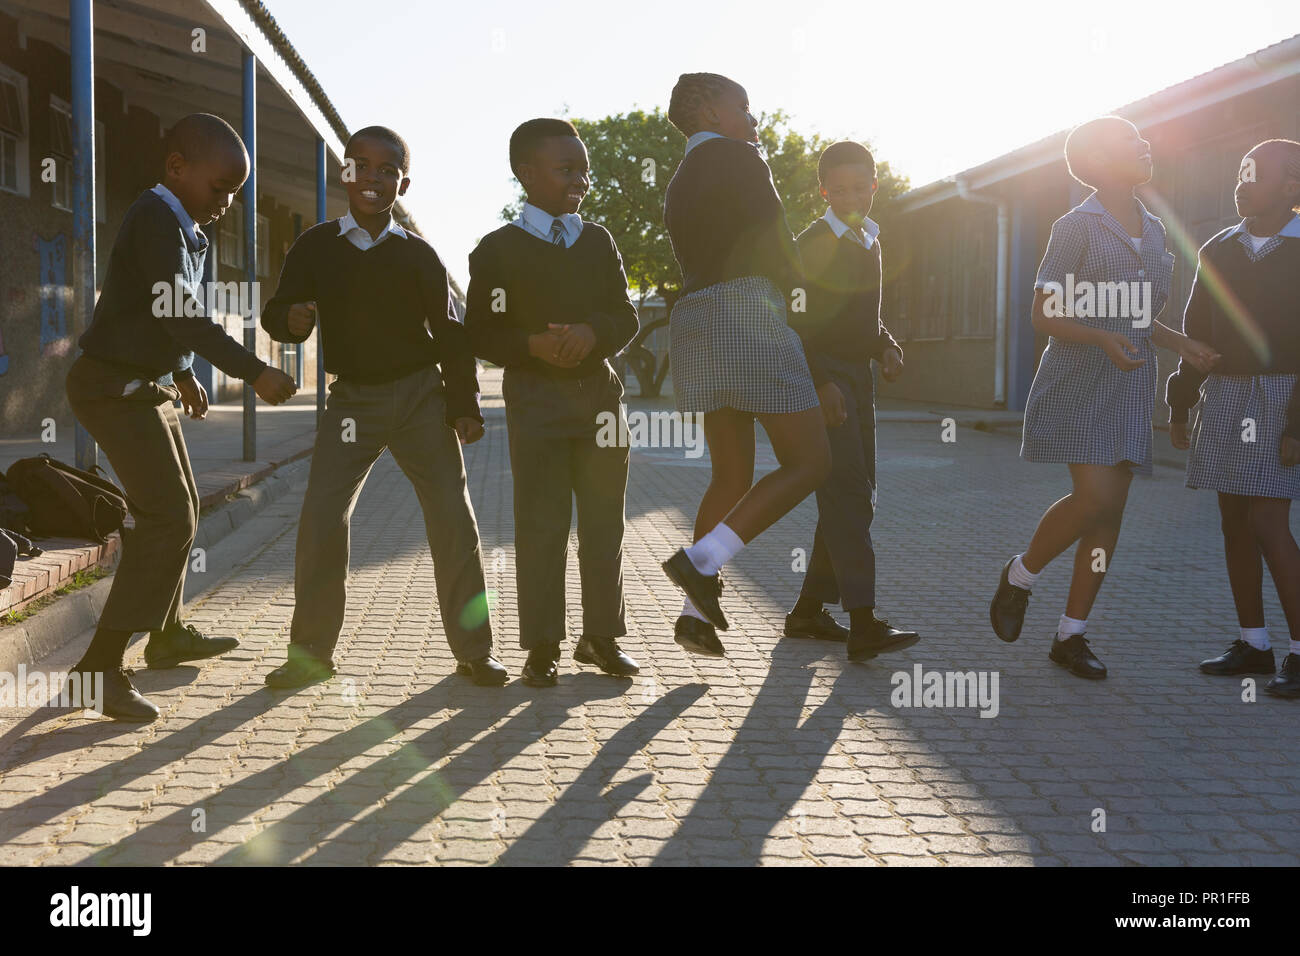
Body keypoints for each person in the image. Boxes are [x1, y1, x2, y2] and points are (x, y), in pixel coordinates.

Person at [66, 113, 297, 722]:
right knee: (167, 518)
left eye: (235, 193)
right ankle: (97, 671)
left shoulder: (183, 225)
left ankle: (165, 634)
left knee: (180, 510)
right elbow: (181, 315)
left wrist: (183, 370)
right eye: (220, 187)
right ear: (177, 167)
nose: (226, 203)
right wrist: (255, 371)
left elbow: (164, 312)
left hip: (144, 386)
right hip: (111, 388)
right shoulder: (154, 218)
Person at [261, 126, 506, 688]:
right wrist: (290, 321)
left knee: (453, 517)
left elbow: (449, 333)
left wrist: (465, 403)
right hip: (352, 401)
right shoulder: (315, 246)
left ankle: (475, 651)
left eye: (387, 170)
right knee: (323, 518)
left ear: (404, 181)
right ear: (345, 172)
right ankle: (310, 654)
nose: (373, 178)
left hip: (422, 396)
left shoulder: (418, 254)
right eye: (362, 166)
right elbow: (279, 310)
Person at [989, 115, 1219, 679]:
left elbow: (1142, 316)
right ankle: (1019, 576)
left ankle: (1072, 634)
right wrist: (1099, 335)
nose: (1143, 147)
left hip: (1130, 382)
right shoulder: (1075, 228)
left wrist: (1180, 341)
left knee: (1109, 512)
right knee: (1092, 499)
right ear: (1095, 162)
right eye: (1129, 143)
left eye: (1143, 140)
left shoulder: (1155, 230)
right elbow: (1045, 313)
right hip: (1079, 379)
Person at [464, 118, 640, 687]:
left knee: (603, 520)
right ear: (526, 173)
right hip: (535, 399)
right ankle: (543, 644)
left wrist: (594, 332)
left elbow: (626, 314)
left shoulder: (598, 241)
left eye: (583, 170)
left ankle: (601, 637)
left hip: (601, 398)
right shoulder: (496, 251)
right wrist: (532, 344)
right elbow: (482, 333)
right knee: (540, 522)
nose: (580, 180)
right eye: (567, 169)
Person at [660, 72, 831, 657]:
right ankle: (700, 561)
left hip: (697, 319)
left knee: (730, 475)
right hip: (747, 311)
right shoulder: (740, 157)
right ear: (708, 110)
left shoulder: (679, 180)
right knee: (810, 462)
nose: (755, 120)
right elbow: (781, 246)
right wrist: (813, 346)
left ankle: (693, 616)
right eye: (745, 106)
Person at [1167, 139, 1300, 697]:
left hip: (1282, 396)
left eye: (1257, 174)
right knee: (1234, 523)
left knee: (1269, 522)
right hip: (1224, 396)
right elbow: (1198, 330)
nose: (1242, 182)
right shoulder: (1219, 247)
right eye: (1240, 172)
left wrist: (1297, 423)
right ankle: (1254, 643)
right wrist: (1181, 399)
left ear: (1292, 186)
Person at [784, 141, 920, 663]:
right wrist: (820, 383)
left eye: (857, 187)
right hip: (824, 381)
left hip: (858, 379)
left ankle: (806, 612)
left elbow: (864, 319)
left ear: (873, 186)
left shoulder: (870, 239)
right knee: (847, 493)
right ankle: (863, 623)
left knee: (855, 491)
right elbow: (796, 323)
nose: (847, 196)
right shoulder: (812, 243)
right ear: (822, 191)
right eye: (836, 189)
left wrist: (886, 345)